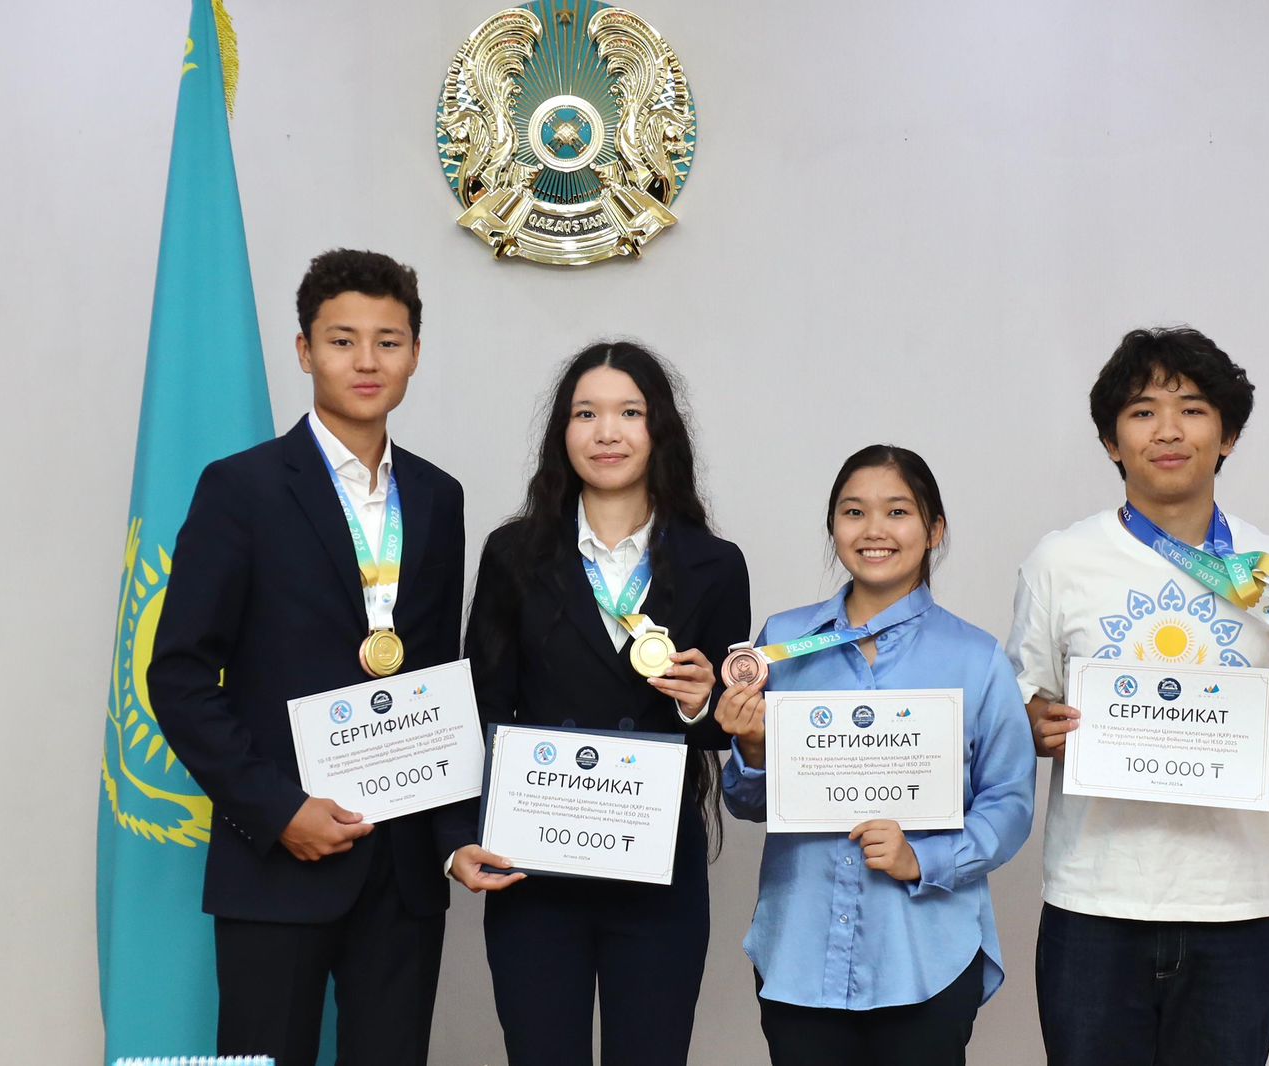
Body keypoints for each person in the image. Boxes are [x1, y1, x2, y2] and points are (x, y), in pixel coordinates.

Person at [1007, 326, 1269, 1066]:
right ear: (1112, 442)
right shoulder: (1061, 562)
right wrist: (1039, 728)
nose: (1168, 430)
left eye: (1193, 409)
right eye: (1143, 411)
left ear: (1228, 436)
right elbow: (1022, 711)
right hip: (1093, 903)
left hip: (1232, 908)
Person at [149, 249, 471, 1066]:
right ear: (304, 351)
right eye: (342, 340)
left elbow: (440, 675)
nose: (367, 361)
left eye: (388, 342)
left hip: (402, 868)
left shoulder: (438, 497)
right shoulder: (241, 489)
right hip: (279, 856)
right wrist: (276, 809)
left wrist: (451, 834)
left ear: (415, 355)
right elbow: (179, 676)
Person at [449, 341, 751, 1066]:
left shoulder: (714, 563)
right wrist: (458, 838)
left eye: (628, 413)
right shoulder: (512, 554)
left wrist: (700, 703)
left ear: (659, 429)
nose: (606, 432)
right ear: (563, 432)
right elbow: (481, 708)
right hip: (534, 870)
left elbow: (723, 728)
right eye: (586, 414)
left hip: (657, 871)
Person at [716, 445, 1036, 1066]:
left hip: (925, 955)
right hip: (800, 951)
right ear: (833, 526)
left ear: (934, 530)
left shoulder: (975, 657)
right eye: (854, 512)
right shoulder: (782, 643)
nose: (874, 530)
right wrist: (752, 746)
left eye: (897, 511)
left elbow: (1011, 800)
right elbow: (747, 802)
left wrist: (925, 857)